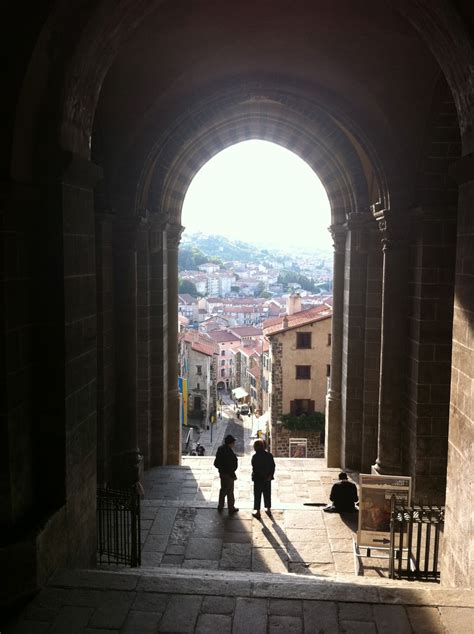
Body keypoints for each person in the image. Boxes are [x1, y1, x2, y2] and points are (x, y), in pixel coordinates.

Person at [214, 434, 239, 514]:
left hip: (222, 473)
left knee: (223, 489)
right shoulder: (229, 452)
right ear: (230, 443)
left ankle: (220, 505)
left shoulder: (220, 449)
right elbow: (230, 466)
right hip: (228, 474)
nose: (234, 444)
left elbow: (216, 463)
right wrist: (233, 475)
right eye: (233, 442)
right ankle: (231, 508)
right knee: (230, 491)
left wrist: (220, 469)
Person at [251, 439, 275, 519]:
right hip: (267, 479)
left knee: (257, 495)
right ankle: (268, 509)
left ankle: (257, 511)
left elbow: (255, 468)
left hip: (258, 479)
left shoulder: (255, 457)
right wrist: (270, 475)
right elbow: (273, 466)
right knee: (267, 494)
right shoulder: (269, 455)